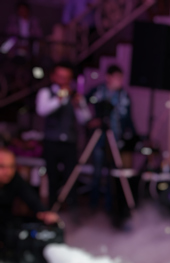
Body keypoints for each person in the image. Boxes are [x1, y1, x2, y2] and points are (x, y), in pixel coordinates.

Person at [86, 65, 137, 225]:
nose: (119, 81)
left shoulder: (123, 95)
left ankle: (109, 207)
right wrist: (89, 121)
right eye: (116, 77)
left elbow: (128, 118)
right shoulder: (97, 91)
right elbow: (81, 104)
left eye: (121, 78)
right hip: (99, 136)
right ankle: (93, 206)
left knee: (113, 174)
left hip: (115, 137)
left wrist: (134, 135)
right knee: (97, 172)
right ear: (108, 77)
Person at [36, 62, 92, 207]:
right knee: (52, 176)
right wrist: (59, 99)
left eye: (66, 77)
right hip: (51, 141)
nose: (63, 80)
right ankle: (52, 208)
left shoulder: (75, 96)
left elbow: (85, 119)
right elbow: (42, 110)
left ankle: (72, 208)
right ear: (53, 76)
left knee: (71, 176)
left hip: (70, 142)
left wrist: (78, 105)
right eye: (60, 76)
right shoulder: (46, 92)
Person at [0, 148, 59, 228]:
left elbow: (30, 197)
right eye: (2, 166)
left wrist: (45, 213)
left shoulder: (14, 179)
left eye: (11, 166)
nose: (8, 172)